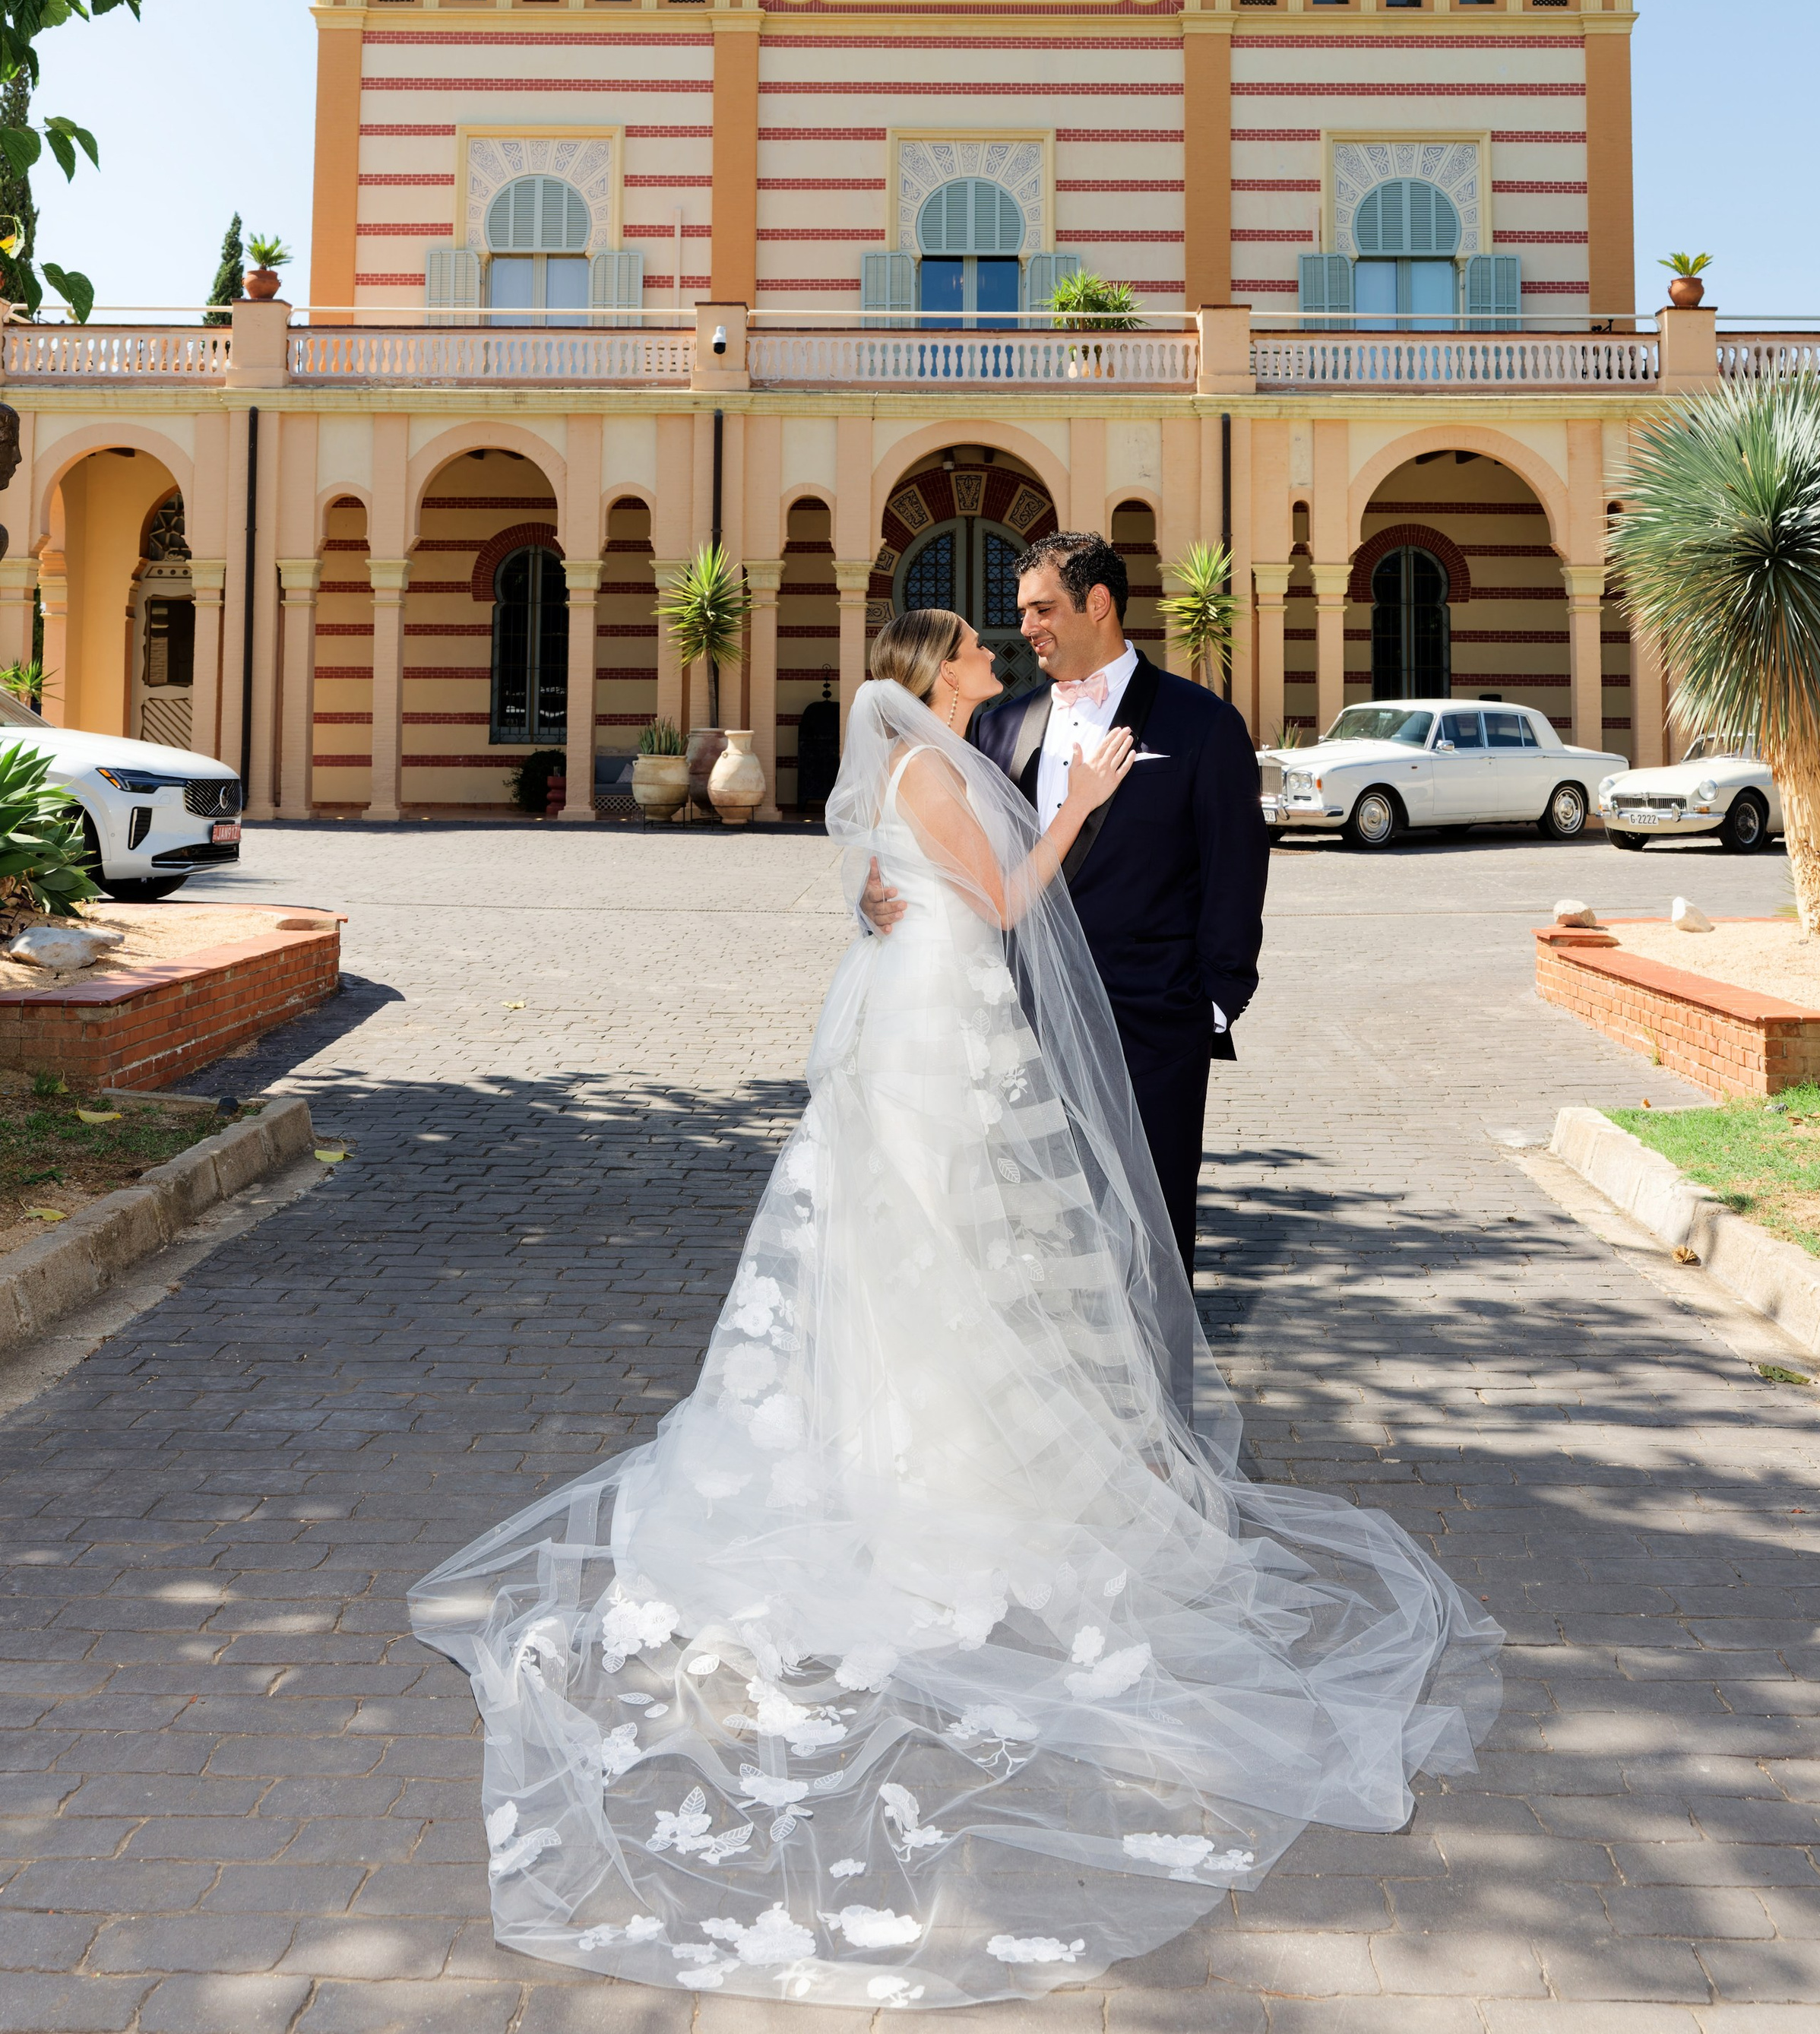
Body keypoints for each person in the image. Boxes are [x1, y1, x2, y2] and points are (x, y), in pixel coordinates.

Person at [411, 609, 1499, 2012]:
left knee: (938, 1250)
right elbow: (997, 902)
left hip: (930, 1019)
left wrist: (906, 887)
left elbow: (890, 880)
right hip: (940, 1026)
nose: (997, 656)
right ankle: (926, 1463)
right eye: (980, 648)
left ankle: (928, 1436)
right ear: (940, 673)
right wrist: (1086, 807)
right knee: (938, 1244)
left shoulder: (922, 753)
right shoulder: (934, 761)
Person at [865, 529, 1266, 1282]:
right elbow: (945, 838)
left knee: (1149, 1239)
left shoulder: (1199, 724)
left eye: (1041, 608)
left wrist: (1211, 1003)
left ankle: (1155, 1403)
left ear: (1100, 603)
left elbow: (1235, 869)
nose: (1024, 628)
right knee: (1032, 1242)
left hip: (1151, 1026)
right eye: (1021, 611)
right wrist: (877, 888)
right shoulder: (997, 723)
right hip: (1016, 1027)